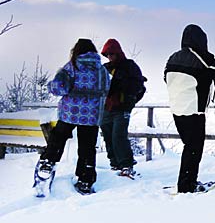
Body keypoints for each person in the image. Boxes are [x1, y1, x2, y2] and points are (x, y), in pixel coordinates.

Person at [164, 24, 215, 193]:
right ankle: (186, 186)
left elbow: (166, 78)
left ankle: (187, 181)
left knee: (189, 146)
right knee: (194, 148)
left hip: (176, 108)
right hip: (194, 109)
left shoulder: (172, 57)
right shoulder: (200, 56)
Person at [36, 39, 111, 194]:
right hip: (92, 115)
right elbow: (106, 89)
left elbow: (59, 88)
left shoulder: (72, 66)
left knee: (58, 137)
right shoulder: (102, 70)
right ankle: (86, 178)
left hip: (70, 112)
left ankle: (48, 162)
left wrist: (50, 86)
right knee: (87, 147)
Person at [99, 39, 146, 178]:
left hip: (121, 108)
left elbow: (139, 87)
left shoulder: (129, 66)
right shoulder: (105, 68)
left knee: (118, 136)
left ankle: (126, 165)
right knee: (108, 136)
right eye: (107, 54)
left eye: (112, 54)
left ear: (118, 53)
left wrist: (128, 101)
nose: (110, 57)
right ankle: (115, 163)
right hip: (107, 108)